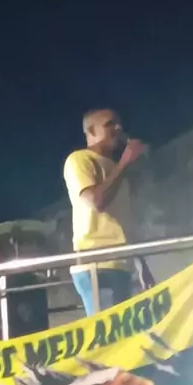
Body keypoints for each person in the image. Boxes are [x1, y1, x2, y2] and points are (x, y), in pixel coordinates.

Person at [63, 108, 148, 315]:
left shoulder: (115, 169)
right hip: (97, 264)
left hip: (121, 264)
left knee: (125, 330)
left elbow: (122, 223)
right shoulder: (79, 159)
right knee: (110, 330)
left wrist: (142, 264)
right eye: (110, 124)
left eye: (119, 123)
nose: (118, 128)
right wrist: (124, 163)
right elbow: (96, 200)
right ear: (91, 131)